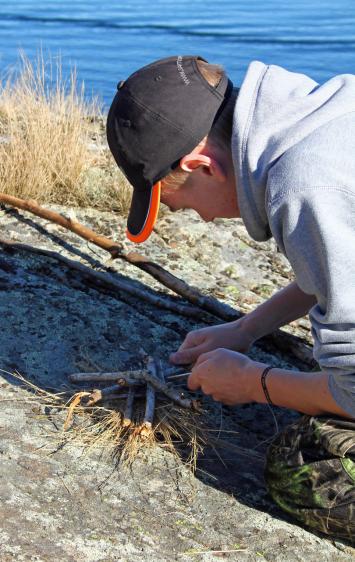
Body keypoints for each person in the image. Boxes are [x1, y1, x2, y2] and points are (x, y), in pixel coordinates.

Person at [106, 55, 355, 542]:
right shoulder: (319, 122)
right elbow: (336, 261)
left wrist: (255, 382)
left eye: (181, 203)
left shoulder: (304, 190)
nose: (200, 220)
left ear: (202, 166)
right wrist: (247, 329)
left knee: (305, 466)